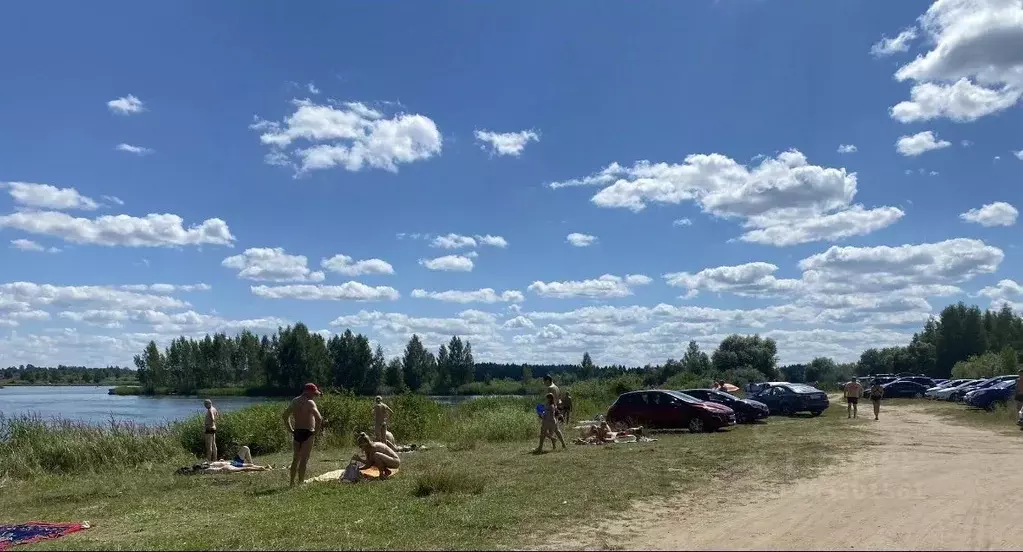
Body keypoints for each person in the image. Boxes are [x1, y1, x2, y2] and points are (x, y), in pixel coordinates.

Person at [283, 383, 324, 487]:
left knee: (296, 458)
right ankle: (300, 482)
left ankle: (292, 482)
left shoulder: (295, 401)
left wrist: (290, 429)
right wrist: (316, 432)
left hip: (297, 431)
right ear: (309, 392)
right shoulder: (310, 403)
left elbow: (285, 415)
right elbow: (319, 418)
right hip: (308, 432)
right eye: (314, 393)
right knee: (304, 459)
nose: (314, 396)